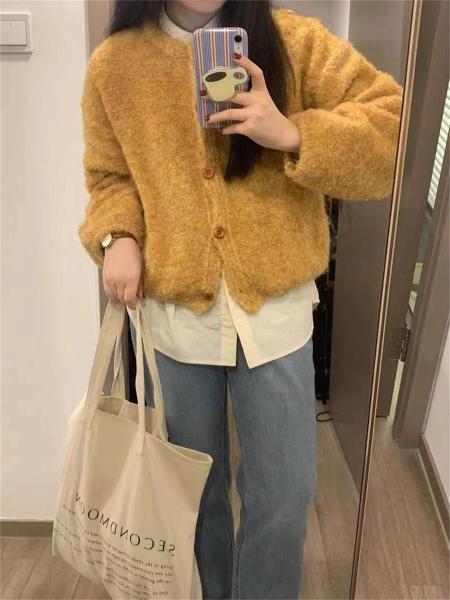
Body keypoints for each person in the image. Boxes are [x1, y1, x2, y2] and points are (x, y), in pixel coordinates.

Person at [77, 1, 403, 598]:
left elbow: (391, 129)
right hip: (177, 316)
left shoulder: (294, 41)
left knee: (283, 499)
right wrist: (118, 235)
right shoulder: (115, 64)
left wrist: (292, 132)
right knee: (194, 499)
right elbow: (109, 175)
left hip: (274, 315)